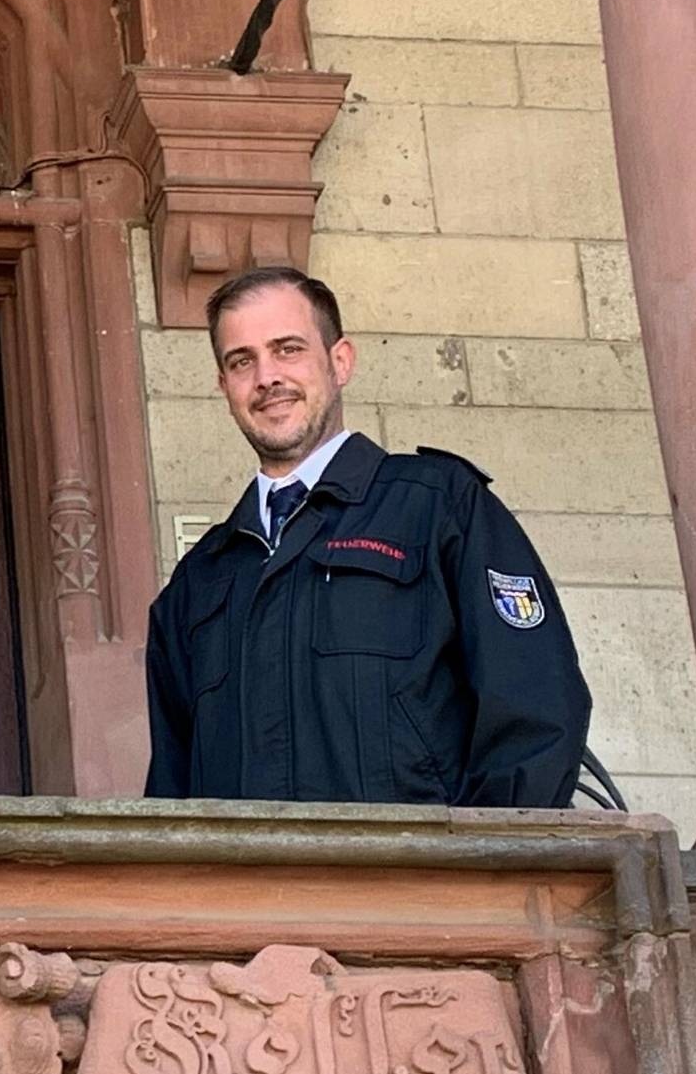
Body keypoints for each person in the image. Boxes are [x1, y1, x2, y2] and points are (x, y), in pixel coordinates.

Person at [144, 266, 590, 806]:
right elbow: (172, 794)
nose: (266, 377)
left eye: (288, 350)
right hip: (251, 890)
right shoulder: (198, 582)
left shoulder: (437, 506)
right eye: (242, 361)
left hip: (421, 884)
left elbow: (536, 711)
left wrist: (484, 878)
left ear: (340, 361)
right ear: (224, 386)